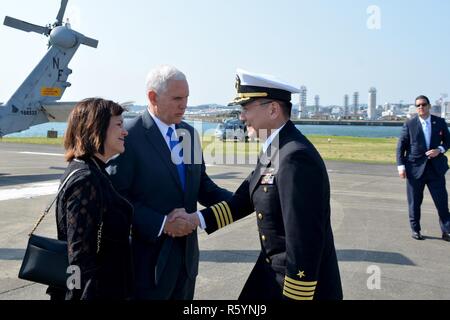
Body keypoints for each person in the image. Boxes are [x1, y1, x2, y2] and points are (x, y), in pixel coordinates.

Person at [174, 69, 343, 300]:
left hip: (295, 285)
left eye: (246, 109)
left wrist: (296, 296)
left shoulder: (295, 157)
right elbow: (244, 199)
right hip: (271, 273)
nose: (242, 117)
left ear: (273, 109)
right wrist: (198, 220)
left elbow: (305, 240)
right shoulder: (276, 148)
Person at [108, 65, 232, 300]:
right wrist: (162, 223)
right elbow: (116, 198)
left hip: (186, 263)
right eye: (177, 98)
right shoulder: (128, 135)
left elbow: (202, 186)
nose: (184, 104)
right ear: (152, 97)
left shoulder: (189, 134)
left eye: (186, 97)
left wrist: (248, 200)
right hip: (146, 264)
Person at [49, 98, 133, 300]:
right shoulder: (86, 179)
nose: (125, 131)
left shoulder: (91, 170)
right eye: (119, 125)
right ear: (97, 128)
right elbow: (78, 257)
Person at [397, 95, 450, 241]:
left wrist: (439, 149)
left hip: (435, 170)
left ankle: (447, 231)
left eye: (423, 104)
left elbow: (448, 141)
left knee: (442, 202)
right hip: (414, 170)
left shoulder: (439, 122)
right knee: (414, 202)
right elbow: (401, 146)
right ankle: (416, 230)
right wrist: (401, 167)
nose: (421, 107)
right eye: (418, 105)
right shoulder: (409, 124)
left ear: (429, 106)